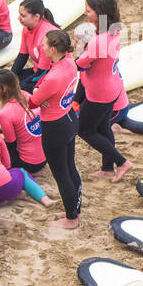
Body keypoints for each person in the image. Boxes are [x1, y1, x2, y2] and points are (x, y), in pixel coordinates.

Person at [75, 0, 132, 182]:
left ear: (99, 13)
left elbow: (79, 64)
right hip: (112, 86)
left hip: (99, 93)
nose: (85, 13)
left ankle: (122, 162)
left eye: (89, 10)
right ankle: (107, 168)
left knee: (85, 130)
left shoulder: (99, 40)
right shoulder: (114, 28)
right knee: (103, 127)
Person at [28, 29, 82, 229]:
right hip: (68, 117)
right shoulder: (68, 61)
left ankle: (71, 218)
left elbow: (33, 102)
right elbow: (45, 84)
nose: (41, 48)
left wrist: (36, 93)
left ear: (52, 48)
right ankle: (75, 207)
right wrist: (42, 93)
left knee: (61, 174)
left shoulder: (55, 77)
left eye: (44, 45)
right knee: (70, 167)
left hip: (55, 126)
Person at [8, 0, 58, 91]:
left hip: (51, 76)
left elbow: (42, 73)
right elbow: (22, 56)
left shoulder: (46, 39)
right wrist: (9, 79)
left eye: (23, 16)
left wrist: (18, 87)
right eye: (19, 14)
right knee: (7, 79)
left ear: (36, 17)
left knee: (17, 89)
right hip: (38, 70)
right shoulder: (26, 29)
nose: (19, 18)